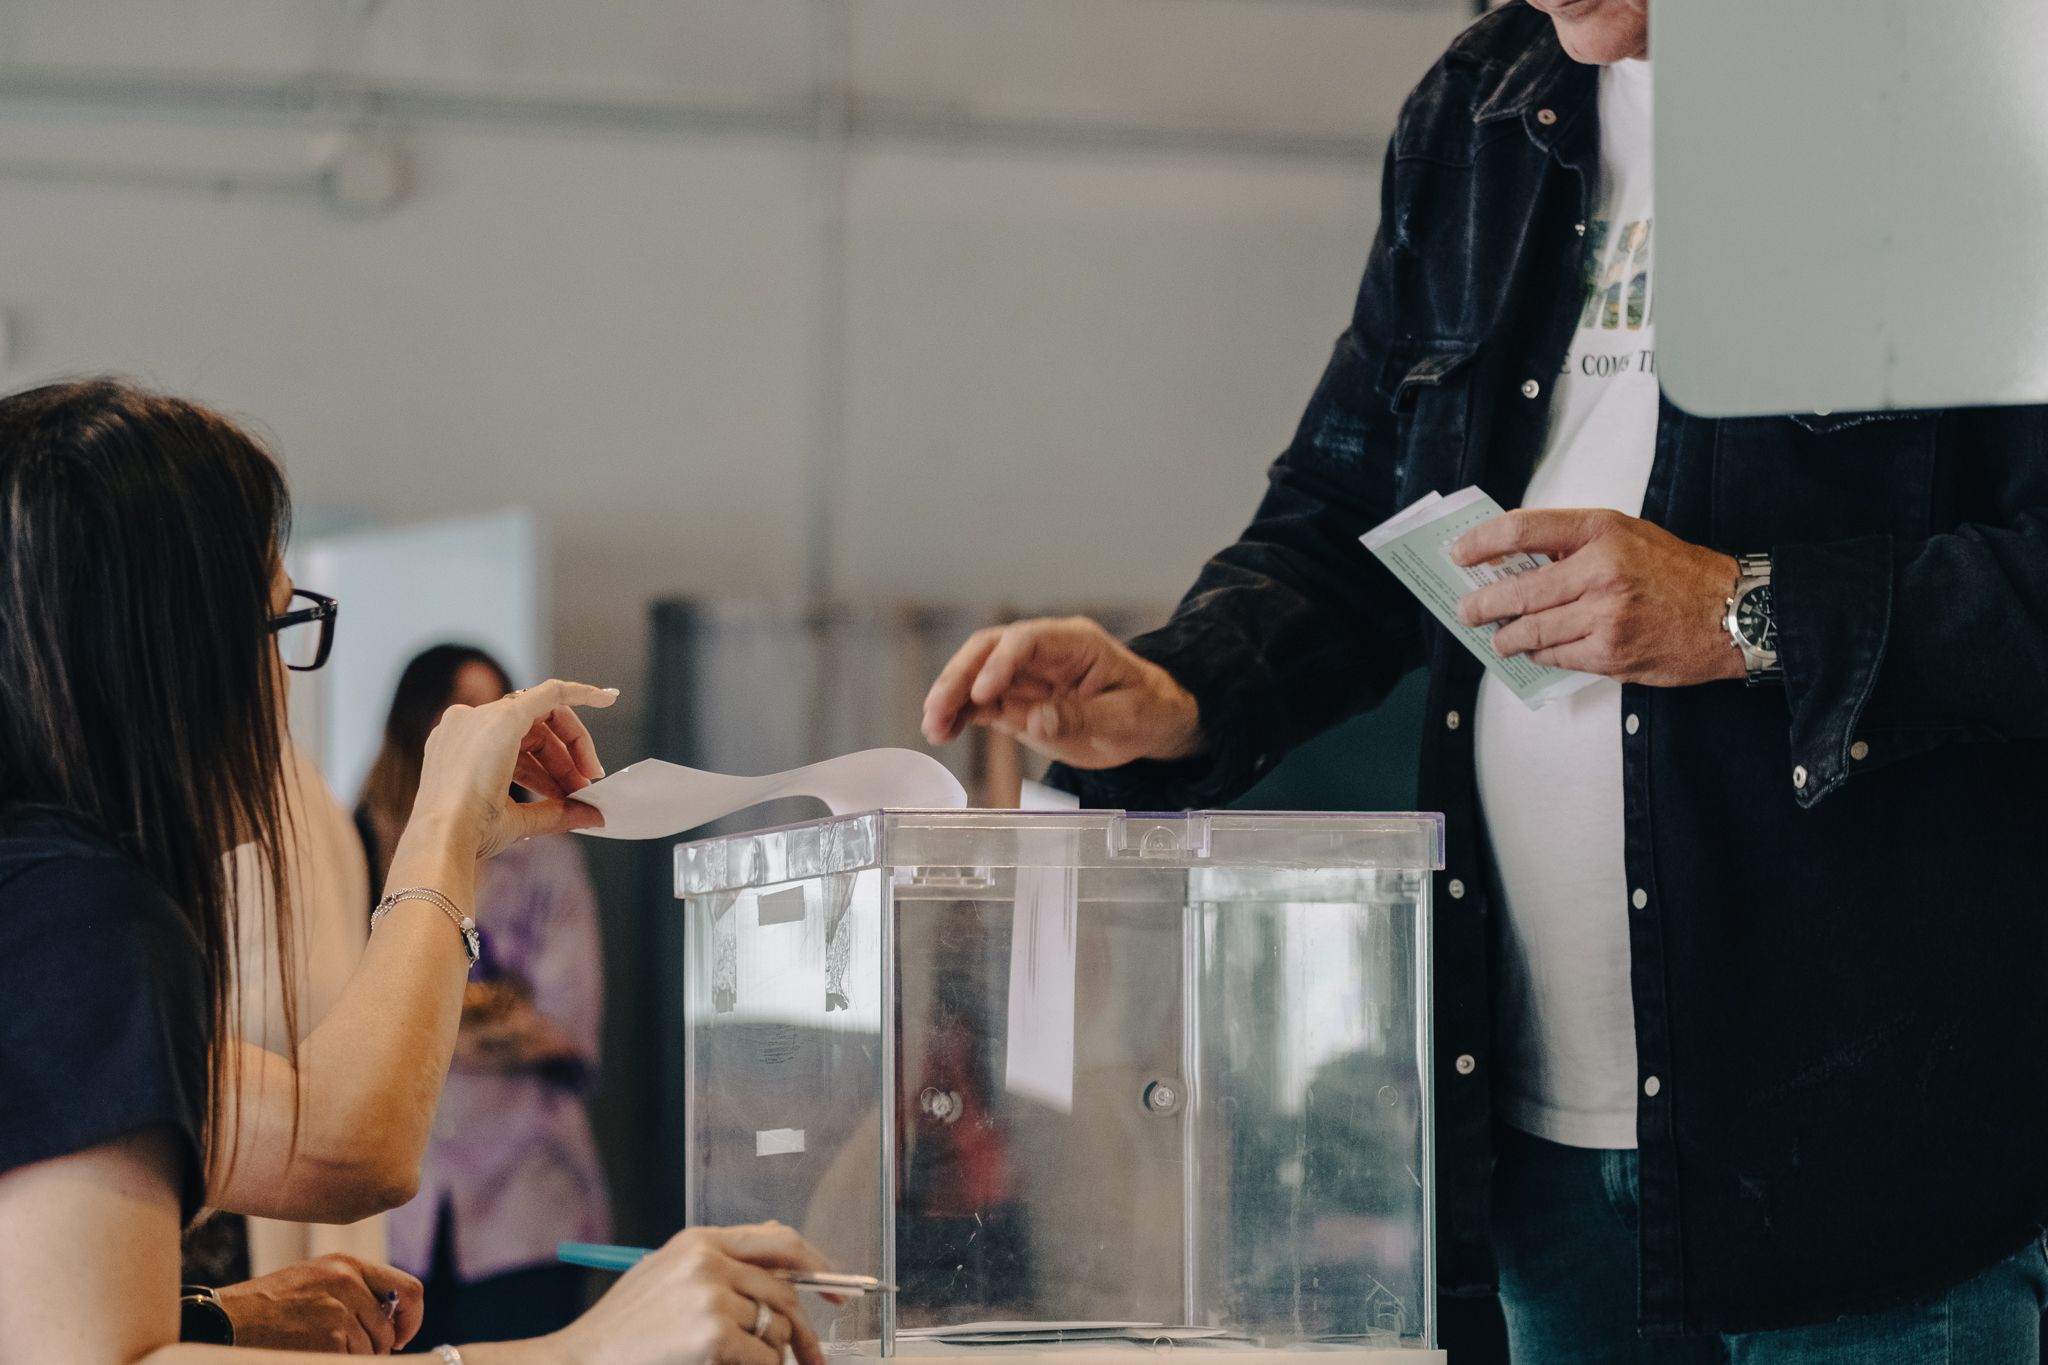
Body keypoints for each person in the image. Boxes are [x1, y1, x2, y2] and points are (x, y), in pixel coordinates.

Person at [922, 2, 2048, 1362]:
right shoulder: (1489, 101)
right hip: (1538, 1151)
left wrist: (1743, 609)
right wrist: (1180, 690)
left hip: (1874, 1166)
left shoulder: (1979, 99)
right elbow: (1346, 511)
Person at [0, 378, 830, 1365]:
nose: (278, 687)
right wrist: (577, 1354)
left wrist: (215, 1320)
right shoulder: (75, 910)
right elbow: (346, 1143)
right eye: (278, 629)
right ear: (176, 656)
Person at [359, 644, 612, 1348]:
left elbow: (567, 1025)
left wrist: (417, 1008)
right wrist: (494, 1004)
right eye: (460, 713)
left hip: (523, 1205)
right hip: (396, 1213)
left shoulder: (548, 859)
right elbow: (333, 1021)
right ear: (421, 726)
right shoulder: (356, 845)